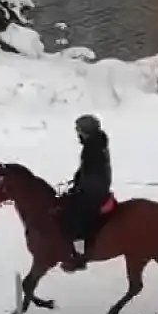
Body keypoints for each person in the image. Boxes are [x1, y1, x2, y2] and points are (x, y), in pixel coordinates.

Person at [63, 113, 113, 268]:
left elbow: (92, 174)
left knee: (74, 216)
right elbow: (85, 170)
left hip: (95, 190)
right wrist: (76, 180)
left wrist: (79, 189)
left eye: (79, 131)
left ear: (86, 132)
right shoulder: (95, 144)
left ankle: (79, 255)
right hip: (96, 186)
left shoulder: (92, 148)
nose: (78, 135)